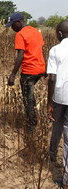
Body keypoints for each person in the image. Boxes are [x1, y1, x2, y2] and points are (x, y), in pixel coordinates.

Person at [6, 12, 46, 133]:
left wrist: (13, 74)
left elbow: (20, 55)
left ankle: (31, 126)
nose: (12, 28)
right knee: (30, 95)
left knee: (27, 99)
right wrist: (45, 68)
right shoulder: (36, 32)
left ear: (19, 22)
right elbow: (40, 50)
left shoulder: (20, 34)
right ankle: (34, 118)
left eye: (13, 25)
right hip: (40, 69)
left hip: (29, 71)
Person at [47, 20, 68, 189]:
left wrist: (49, 102)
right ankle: (53, 154)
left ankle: (65, 180)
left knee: (57, 125)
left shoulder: (55, 50)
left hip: (60, 97)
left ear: (59, 34)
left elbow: (52, 78)